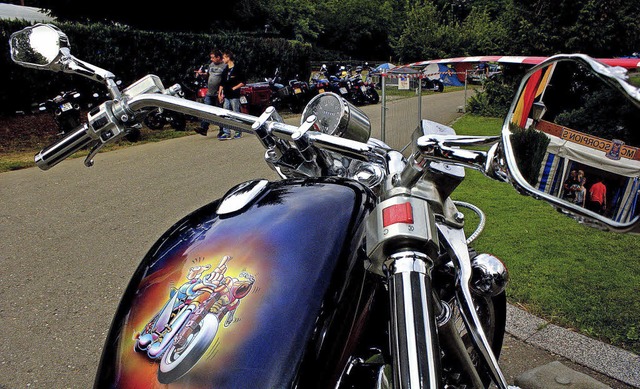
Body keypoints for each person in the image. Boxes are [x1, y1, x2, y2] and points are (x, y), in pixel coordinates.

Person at [194, 49, 226, 137]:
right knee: (207, 109)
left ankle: (222, 130)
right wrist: (202, 74)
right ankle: (204, 128)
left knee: (219, 112)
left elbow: (225, 80)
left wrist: (221, 92)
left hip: (218, 93)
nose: (211, 59)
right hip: (210, 92)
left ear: (218, 57)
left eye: (213, 58)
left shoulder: (224, 66)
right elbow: (208, 75)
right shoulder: (211, 65)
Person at [218, 50, 246, 140]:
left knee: (235, 114)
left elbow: (243, 82)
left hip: (234, 96)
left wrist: (234, 88)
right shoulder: (225, 70)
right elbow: (222, 83)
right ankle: (226, 132)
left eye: (224, 57)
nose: (223, 59)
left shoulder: (237, 69)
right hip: (226, 95)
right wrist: (220, 93)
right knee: (225, 114)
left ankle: (238, 131)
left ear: (228, 58)